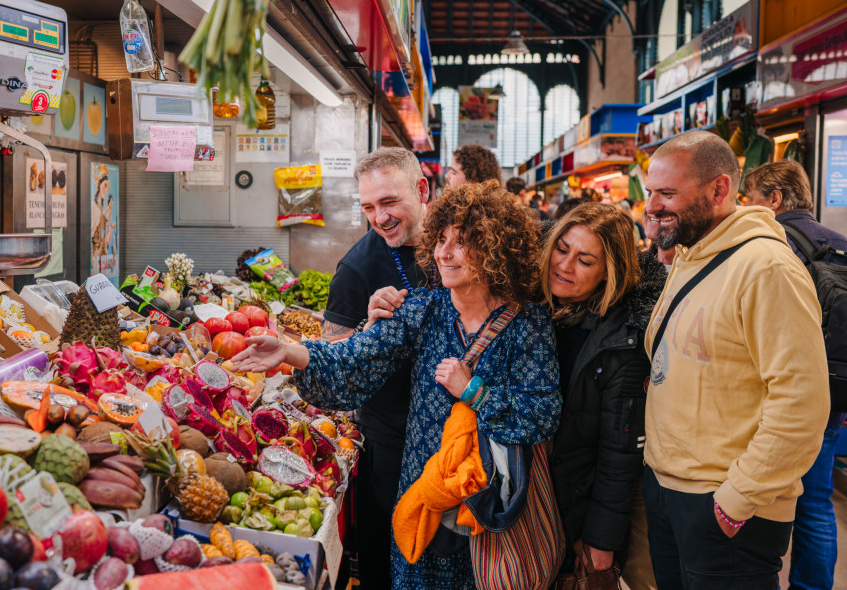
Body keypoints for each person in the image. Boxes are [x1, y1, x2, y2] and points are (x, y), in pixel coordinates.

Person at [233, 181, 562, 589]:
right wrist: (290, 352)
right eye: (440, 239)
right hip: (424, 491)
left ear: (494, 249)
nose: (444, 252)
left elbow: (542, 413)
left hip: (490, 502)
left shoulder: (528, 323)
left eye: (461, 243)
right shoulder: (422, 308)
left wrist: (475, 392)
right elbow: (355, 359)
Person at [641, 131, 829, 588]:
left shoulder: (766, 268)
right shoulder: (689, 256)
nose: (651, 206)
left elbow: (802, 404)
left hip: (725, 506)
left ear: (719, 190)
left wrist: (737, 499)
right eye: (650, 193)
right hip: (670, 490)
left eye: (667, 193)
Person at [540, 203, 666, 586]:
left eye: (585, 260)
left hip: (582, 496)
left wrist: (600, 538)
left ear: (608, 272)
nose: (564, 266)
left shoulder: (622, 339)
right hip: (535, 497)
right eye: (562, 249)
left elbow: (619, 449)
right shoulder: (529, 305)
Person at [322, 147, 429, 589]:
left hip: (462, 437)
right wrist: (369, 331)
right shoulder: (357, 267)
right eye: (368, 207)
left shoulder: (460, 247)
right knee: (387, 560)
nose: (379, 217)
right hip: (389, 441)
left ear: (423, 190)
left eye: (389, 202)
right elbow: (335, 362)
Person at [744, 159, 847, 590]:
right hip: (835, 390)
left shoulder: (772, 243)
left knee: (766, 498)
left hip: (785, 396)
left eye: (750, 200)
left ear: (775, 199)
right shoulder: (840, 241)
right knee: (817, 502)